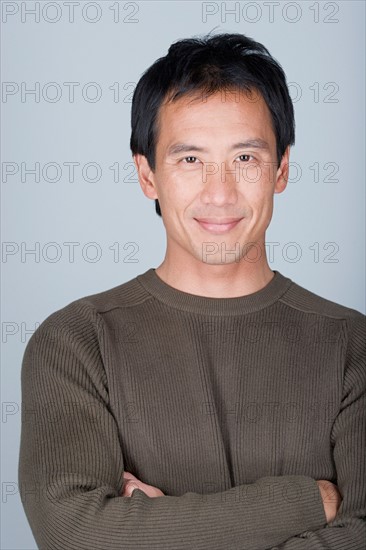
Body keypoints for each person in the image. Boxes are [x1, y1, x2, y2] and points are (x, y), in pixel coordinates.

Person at [18, 32, 365, 549]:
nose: (219, 192)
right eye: (190, 160)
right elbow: (76, 535)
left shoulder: (353, 344)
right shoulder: (76, 342)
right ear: (147, 175)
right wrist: (310, 501)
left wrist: (162, 531)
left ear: (282, 169)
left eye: (245, 158)